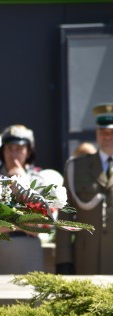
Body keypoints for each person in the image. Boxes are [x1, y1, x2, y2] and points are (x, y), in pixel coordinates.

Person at [0, 124, 44, 274]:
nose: (13, 154)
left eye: (19, 149)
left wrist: (23, 184)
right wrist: (22, 222)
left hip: (27, 252)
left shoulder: (38, 181)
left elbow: (38, 226)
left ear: (28, 151)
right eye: (9, 148)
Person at [56, 104, 113, 275]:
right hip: (85, 259)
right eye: (103, 132)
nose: (107, 137)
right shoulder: (77, 168)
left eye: (111, 132)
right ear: (96, 133)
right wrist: (63, 260)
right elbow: (65, 214)